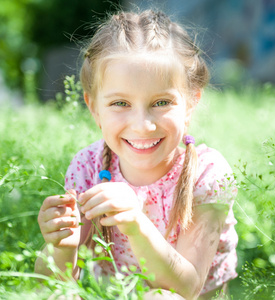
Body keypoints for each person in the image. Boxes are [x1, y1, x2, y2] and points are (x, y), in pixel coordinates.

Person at [35, 10, 238, 300]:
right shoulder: (88, 167)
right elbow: (49, 285)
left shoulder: (208, 173)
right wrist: (60, 247)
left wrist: (135, 223)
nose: (142, 125)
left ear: (191, 104)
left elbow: (186, 288)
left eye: (161, 102)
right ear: (94, 108)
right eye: (120, 103)